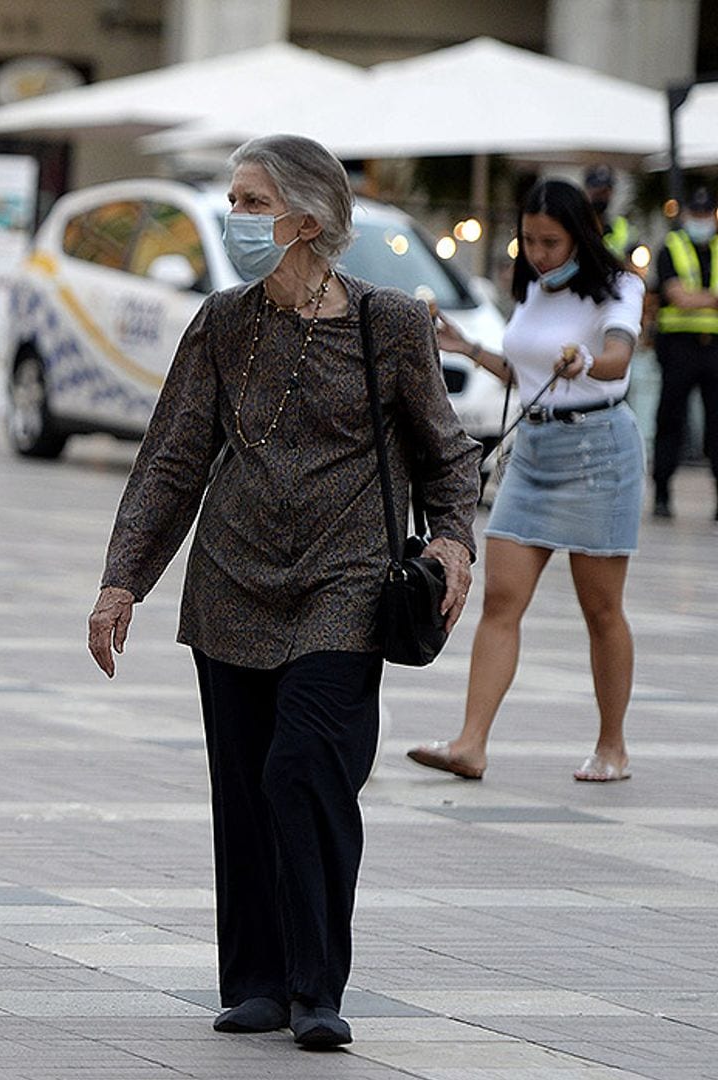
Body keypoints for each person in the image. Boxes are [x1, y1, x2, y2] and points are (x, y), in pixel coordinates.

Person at [89, 135, 479, 1049]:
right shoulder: (223, 323)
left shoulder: (390, 325)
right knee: (245, 786)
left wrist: (455, 544)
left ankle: (316, 986)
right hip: (231, 579)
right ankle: (256, 981)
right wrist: (122, 582)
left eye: (252, 202)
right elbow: (173, 460)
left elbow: (443, 452)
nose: (237, 219)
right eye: (236, 199)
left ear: (307, 220)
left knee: (305, 772)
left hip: (346, 582)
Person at [411, 179, 648, 783]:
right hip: (536, 448)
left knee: (601, 609)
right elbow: (523, 368)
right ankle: (470, 743)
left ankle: (612, 746)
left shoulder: (620, 287)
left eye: (551, 241)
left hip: (598, 452)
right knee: (500, 598)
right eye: (529, 241)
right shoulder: (537, 288)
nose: (539, 253)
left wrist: (590, 359)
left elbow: (619, 354)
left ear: (581, 236)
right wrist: (464, 347)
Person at [647, 186, 718, 521]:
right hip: (679, 346)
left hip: (715, 347)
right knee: (670, 419)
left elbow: (687, 296)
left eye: (707, 214)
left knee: (717, 425)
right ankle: (662, 493)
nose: (701, 220)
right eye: (697, 214)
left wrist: (694, 297)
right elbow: (677, 297)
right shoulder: (671, 247)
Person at [586, 165, 632, 261]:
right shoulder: (579, 220)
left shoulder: (621, 224)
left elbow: (632, 247)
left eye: (605, 191)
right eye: (597, 191)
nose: (601, 196)